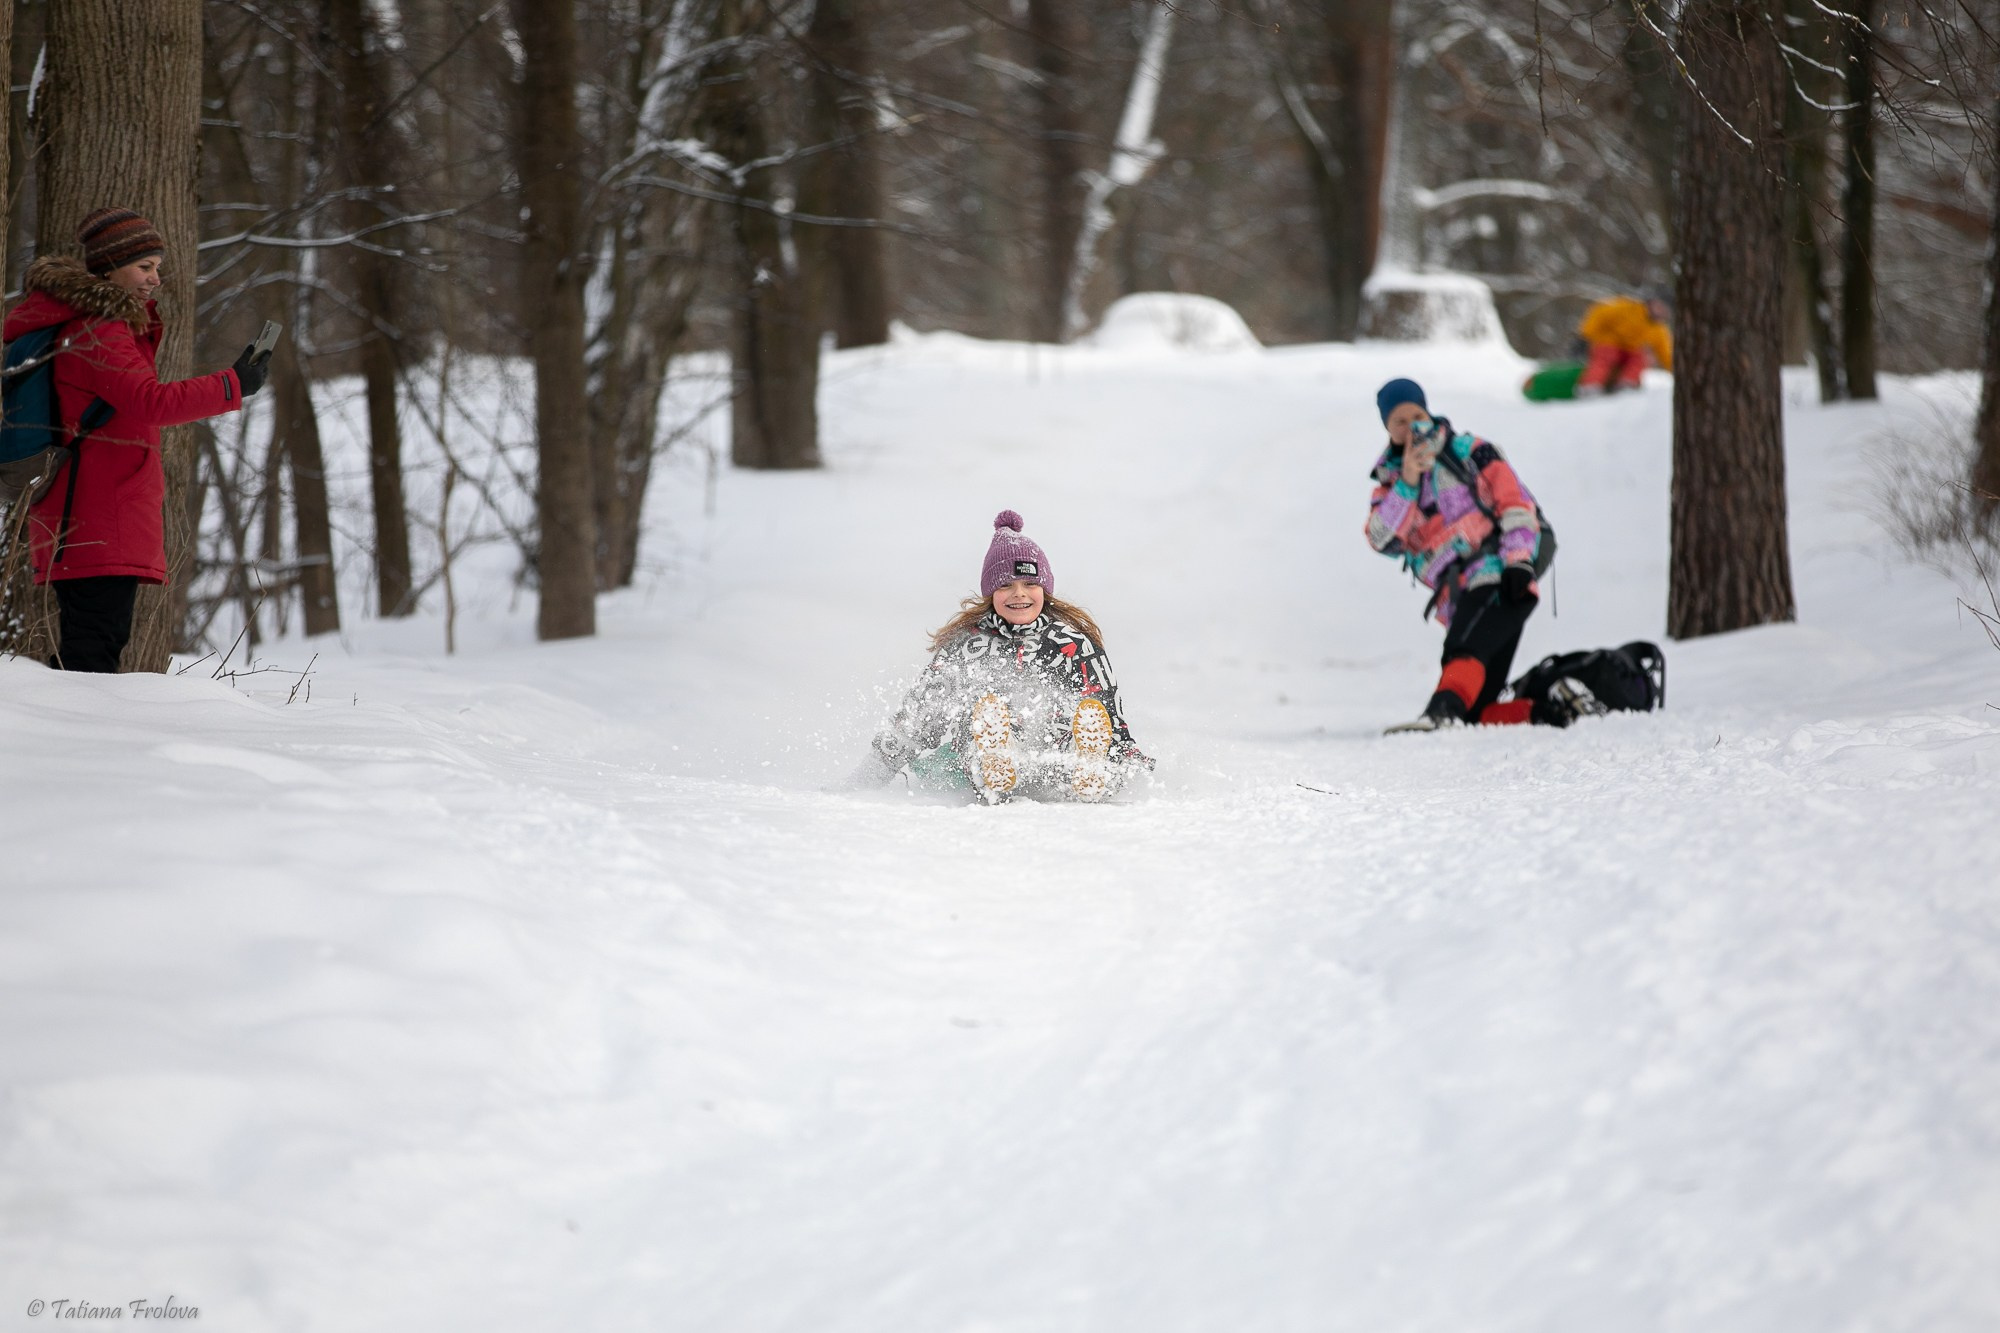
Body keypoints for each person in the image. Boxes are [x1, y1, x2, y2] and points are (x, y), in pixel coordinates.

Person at [5, 208, 271, 672]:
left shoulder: (94, 325)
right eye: (144, 267)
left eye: (157, 268)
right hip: (94, 515)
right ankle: (76, 740)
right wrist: (232, 384)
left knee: (95, 645)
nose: (156, 279)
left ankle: (76, 735)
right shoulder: (98, 329)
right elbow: (149, 402)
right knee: (93, 654)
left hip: (91, 513)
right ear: (108, 267)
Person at [870, 510, 1153, 802]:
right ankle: (996, 759)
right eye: (1006, 585)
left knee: (1079, 730)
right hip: (982, 750)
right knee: (981, 725)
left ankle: (1089, 768)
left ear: (1044, 588)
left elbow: (1109, 713)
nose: (1019, 594)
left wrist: (1126, 763)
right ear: (990, 592)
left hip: (1054, 753)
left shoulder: (1071, 643)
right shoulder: (967, 645)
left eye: (1030, 584)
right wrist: (868, 777)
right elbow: (920, 714)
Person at [1366, 378, 1558, 732]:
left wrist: (1518, 560)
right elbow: (1381, 539)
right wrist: (1408, 482)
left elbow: (1515, 502)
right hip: (1456, 590)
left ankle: (1442, 711)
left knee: (1464, 645)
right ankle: (1547, 711)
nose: (1412, 428)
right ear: (1388, 429)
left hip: (1500, 568)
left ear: (1429, 411)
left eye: (1417, 415)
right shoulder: (1389, 484)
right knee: (1476, 707)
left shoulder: (1469, 450)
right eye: (1399, 422)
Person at [1574, 289, 1672, 395]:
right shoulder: (1629, 308)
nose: (1660, 310)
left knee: (1640, 359)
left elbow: (1665, 353)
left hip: (1630, 350)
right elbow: (1599, 314)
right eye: (1659, 306)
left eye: (1664, 309)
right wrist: (1585, 336)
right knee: (1607, 356)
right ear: (1651, 302)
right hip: (1608, 342)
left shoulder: (1659, 329)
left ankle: (1627, 384)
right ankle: (1590, 386)